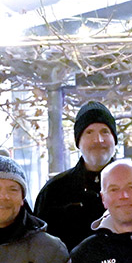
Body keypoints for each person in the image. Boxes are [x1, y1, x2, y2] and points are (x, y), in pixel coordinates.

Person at [35, 101, 119, 252]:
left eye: (105, 131)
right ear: (78, 141)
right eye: (89, 132)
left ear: (114, 139)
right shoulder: (54, 191)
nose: (98, 139)